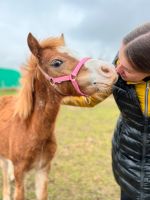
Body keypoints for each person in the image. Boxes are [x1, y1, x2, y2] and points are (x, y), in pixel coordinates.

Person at [62, 22, 150, 200]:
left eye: (127, 69)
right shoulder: (120, 67)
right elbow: (93, 97)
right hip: (126, 159)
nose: (117, 70)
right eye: (119, 59)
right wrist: (57, 97)